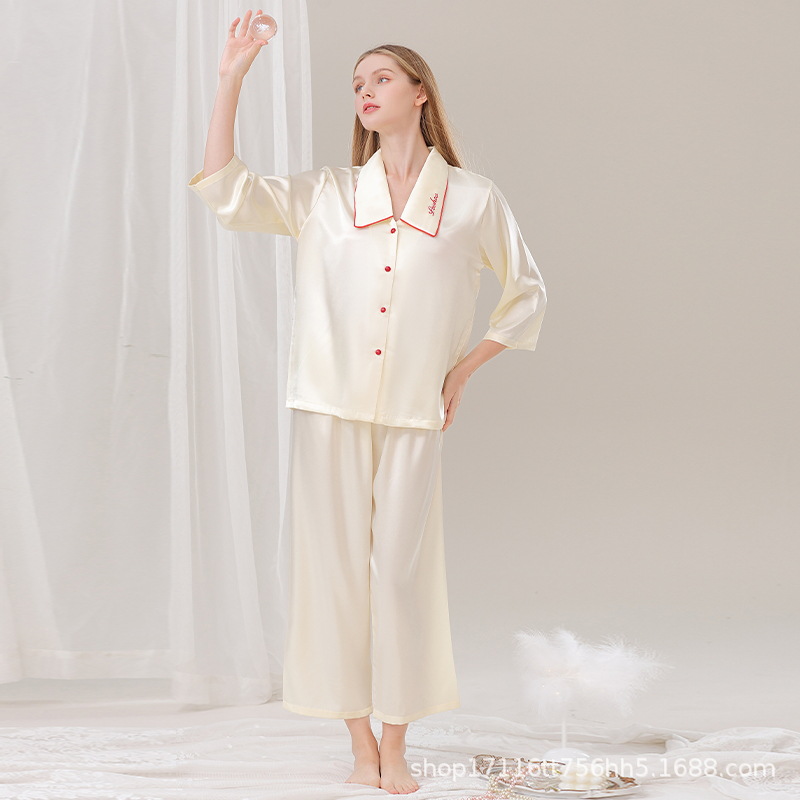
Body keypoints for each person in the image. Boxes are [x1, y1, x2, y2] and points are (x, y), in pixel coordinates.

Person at [188, 9, 547, 795]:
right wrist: (231, 79)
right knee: (335, 579)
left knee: (401, 580)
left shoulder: (472, 200)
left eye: (381, 77)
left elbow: (527, 292)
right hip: (328, 408)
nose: (365, 91)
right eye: (356, 83)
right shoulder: (327, 193)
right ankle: (359, 744)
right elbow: (226, 191)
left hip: (416, 413)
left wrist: (463, 371)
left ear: (421, 93)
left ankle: (398, 740)